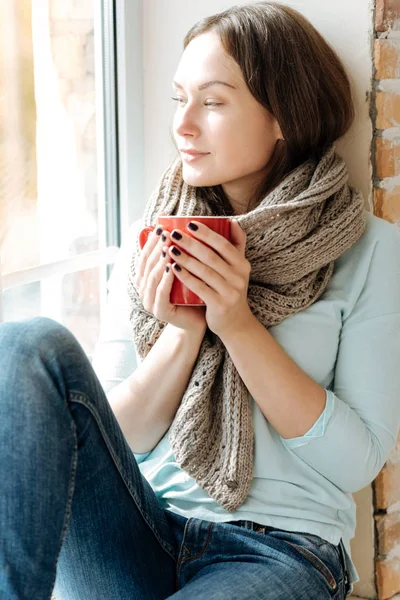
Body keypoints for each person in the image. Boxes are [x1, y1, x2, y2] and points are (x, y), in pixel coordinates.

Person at [1, 2, 399, 599]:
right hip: (141, 529)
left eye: (212, 102)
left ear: (284, 116)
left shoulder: (370, 249)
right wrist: (184, 330)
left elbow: (357, 460)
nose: (182, 125)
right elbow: (122, 438)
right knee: (25, 343)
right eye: (176, 98)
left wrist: (237, 324)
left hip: (284, 550)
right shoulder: (157, 238)